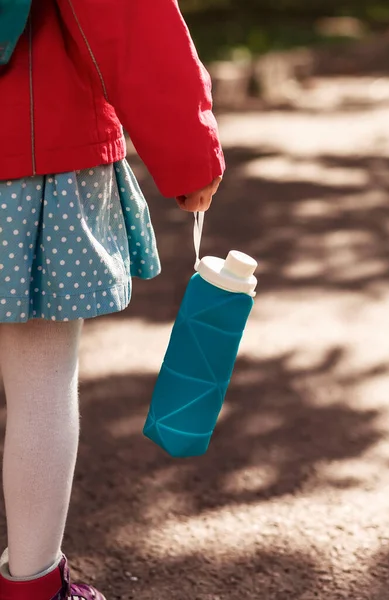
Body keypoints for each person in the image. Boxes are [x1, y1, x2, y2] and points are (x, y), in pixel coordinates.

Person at [0, 0, 225, 598]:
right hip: (29, 154)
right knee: (40, 384)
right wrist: (190, 153)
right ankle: (33, 586)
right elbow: (126, 19)